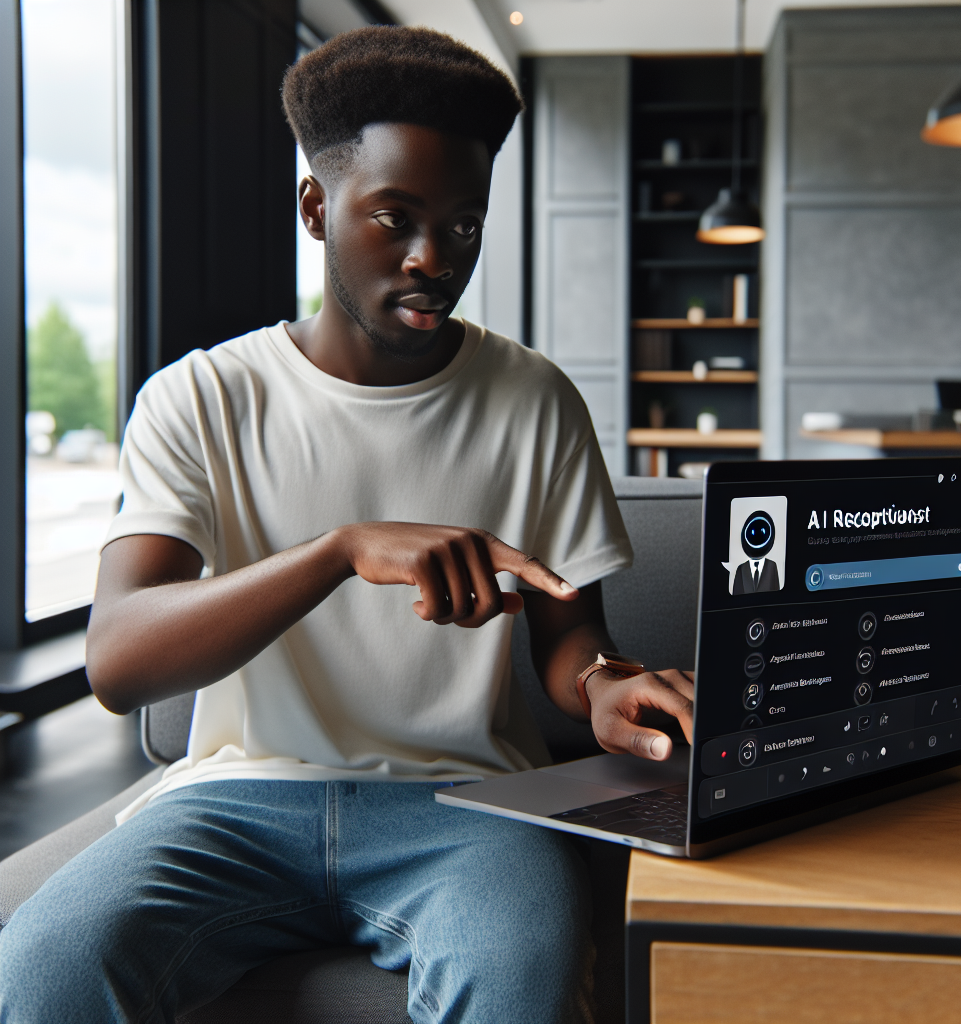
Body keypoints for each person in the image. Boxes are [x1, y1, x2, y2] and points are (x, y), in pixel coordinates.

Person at [0, 27, 693, 1024]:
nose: (429, 258)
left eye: (462, 226)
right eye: (394, 217)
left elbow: (569, 636)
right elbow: (118, 662)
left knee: (521, 980)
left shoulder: (533, 400)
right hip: (233, 801)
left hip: (464, 805)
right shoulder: (202, 398)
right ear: (316, 208)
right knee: (51, 962)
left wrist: (602, 686)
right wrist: (339, 550)